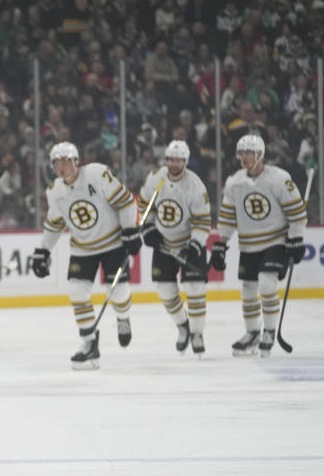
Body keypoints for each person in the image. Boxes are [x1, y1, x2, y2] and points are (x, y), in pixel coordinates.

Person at [30, 142, 141, 370]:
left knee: (118, 291)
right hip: (82, 248)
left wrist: (130, 229)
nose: (62, 167)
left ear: (76, 161)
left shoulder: (97, 174)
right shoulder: (55, 191)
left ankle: (123, 318)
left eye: (66, 161)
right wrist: (43, 250)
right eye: (57, 163)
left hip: (113, 242)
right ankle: (89, 343)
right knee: (77, 290)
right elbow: (54, 224)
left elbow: (126, 201)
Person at [211, 134, 307, 356]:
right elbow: (227, 216)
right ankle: (252, 332)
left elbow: (296, 211)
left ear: (260, 155)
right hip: (248, 245)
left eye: (249, 153)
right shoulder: (235, 182)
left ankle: (269, 331)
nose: (244, 157)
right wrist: (221, 244)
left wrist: (296, 238)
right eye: (241, 153)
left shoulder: (279, 178)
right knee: (248, 290)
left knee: (266, 284)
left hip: (275, 241)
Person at [138, 140, 212, 356]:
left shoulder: (195, 186)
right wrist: (148, 227)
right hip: (163, 244)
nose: (174, 163)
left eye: (178, 160)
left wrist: (195, 244)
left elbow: (203, 221)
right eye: (170, 159)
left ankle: (197, 333)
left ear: (185, 161)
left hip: (189, 244)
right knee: (165, 290)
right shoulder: (155, 178)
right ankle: (183, 326)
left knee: (195, 290)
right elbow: (145, 206)